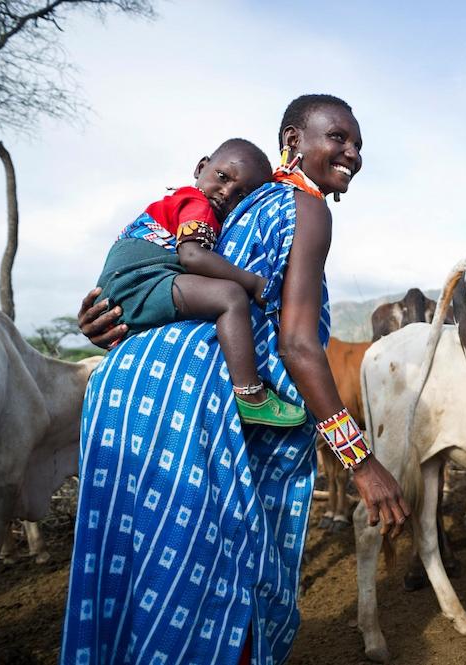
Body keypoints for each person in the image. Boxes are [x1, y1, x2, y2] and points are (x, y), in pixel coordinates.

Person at [62, 94, 409, 665]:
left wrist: (108, 316)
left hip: (123, 392)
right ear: (293, 139)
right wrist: (361, 462)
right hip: (194, 407)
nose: (352, 153)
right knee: (213, 595)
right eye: (339, 138)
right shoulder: (307, 208)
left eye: (358, 146)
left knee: (131, 578)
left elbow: (156, 268)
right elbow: (298, 344)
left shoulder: (234, 203)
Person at [94, 138, 305, 427]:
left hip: (129, 286)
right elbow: (193, 256)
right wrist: (254, 284)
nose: (226, 192)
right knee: (230, 297)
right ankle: (250, 395)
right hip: (140, 282)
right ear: (201, 167)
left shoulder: (180, 204)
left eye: (241, 195)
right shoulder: (195, 202)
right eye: (222, 177)